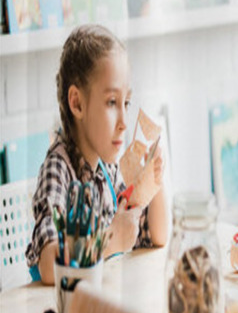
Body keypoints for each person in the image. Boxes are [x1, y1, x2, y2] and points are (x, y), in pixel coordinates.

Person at [26, 24, 168, 285]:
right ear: (77, 103)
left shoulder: (107, 172)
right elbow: (49, 264)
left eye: (126, 103)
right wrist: (110, 239)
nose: (124, 121)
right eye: (112, 103)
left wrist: (153, 179)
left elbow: (156, 235)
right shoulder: (58, 170)